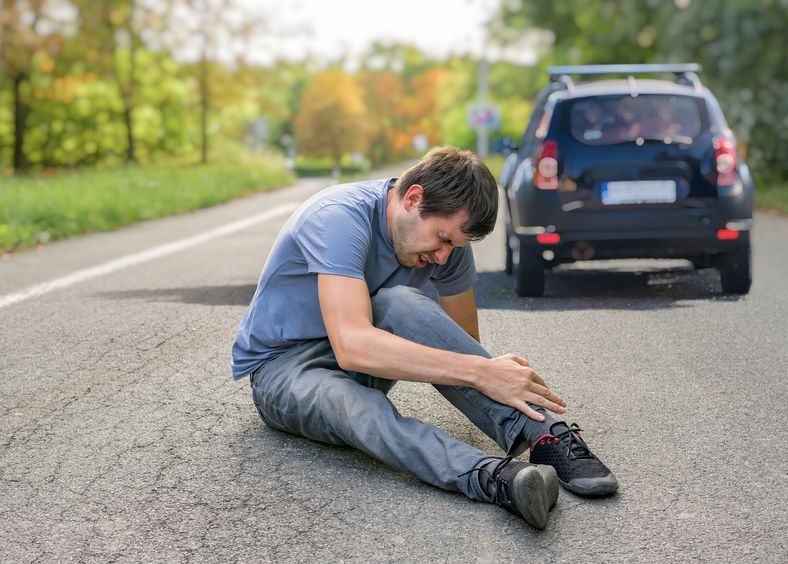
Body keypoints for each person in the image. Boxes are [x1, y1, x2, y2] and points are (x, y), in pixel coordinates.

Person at [232, 147, 618, 530]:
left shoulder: (447, 249)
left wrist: (486, 373)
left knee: (400, 301)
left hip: (362, 356)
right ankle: (496, 478)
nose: (443, 256)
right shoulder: (336, 218)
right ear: (413, 198)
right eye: (441, 238)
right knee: (356, 405)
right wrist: (482, 371)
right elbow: (351, 345)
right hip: (283, 369)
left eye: (455, 246)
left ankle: (546, 437)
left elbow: (458, 341)